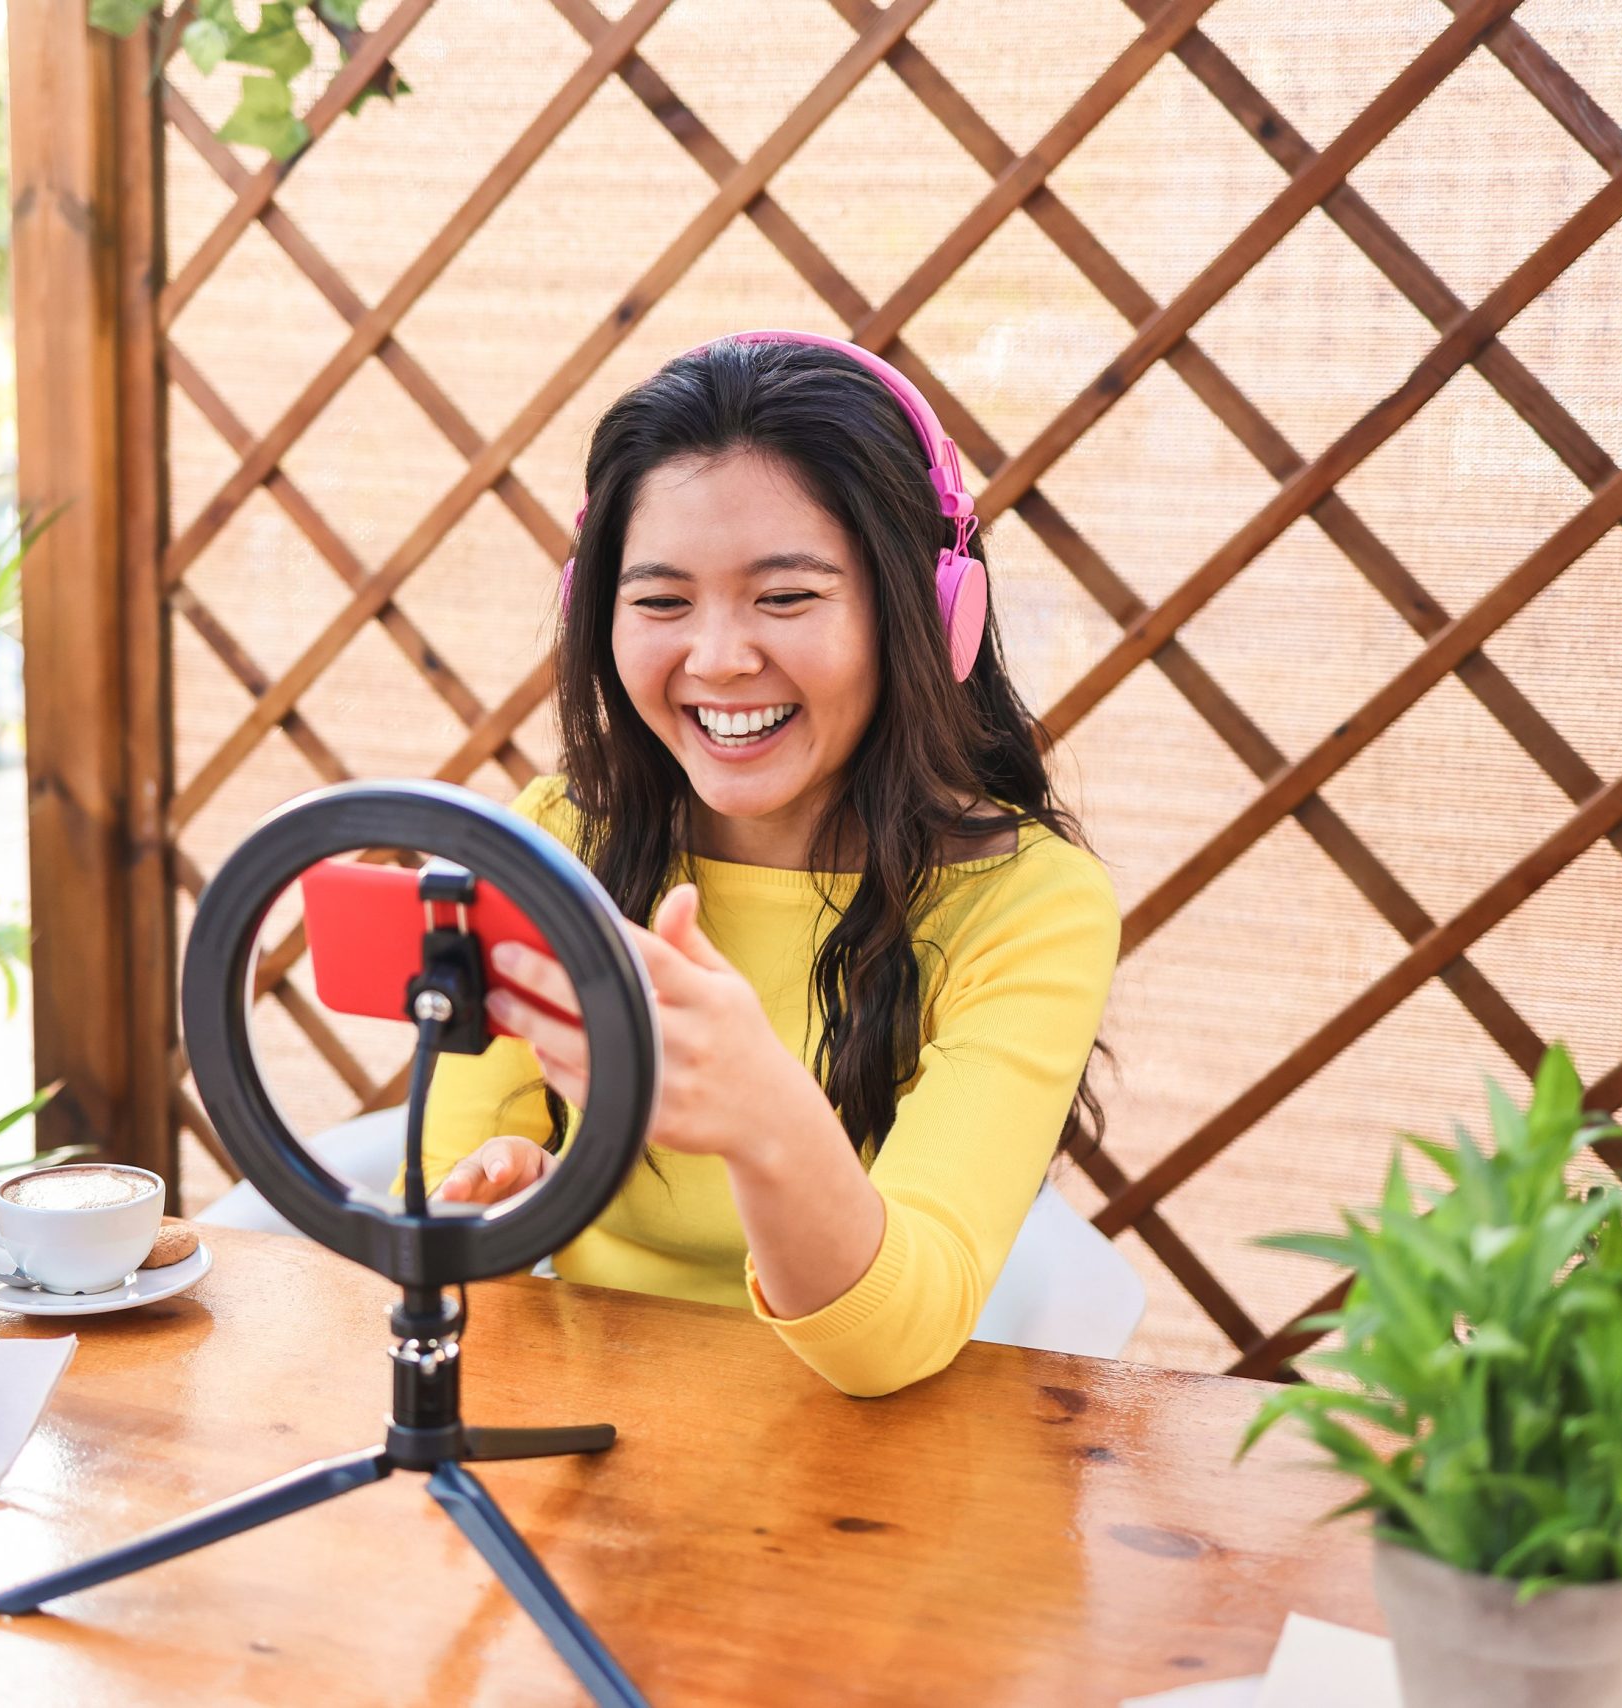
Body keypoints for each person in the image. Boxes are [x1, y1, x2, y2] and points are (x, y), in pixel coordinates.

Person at [416, 330, 1120, 1398]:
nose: (717, 658)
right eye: (659, 601)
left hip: (870, 1481)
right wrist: (512, 1203)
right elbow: (435, 1197)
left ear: (929, 614)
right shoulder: (557, 836)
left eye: (785, 597)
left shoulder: (1027, 907)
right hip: (589, 1441)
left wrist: (761, 1115)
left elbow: (896, 1338)